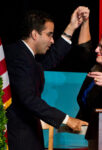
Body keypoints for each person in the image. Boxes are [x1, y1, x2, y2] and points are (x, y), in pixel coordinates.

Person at [4, 6, 89, 150]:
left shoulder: (25, 55)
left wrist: (72, 27)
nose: (52, 40)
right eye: (49, 35)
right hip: (19, 138)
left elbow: (50, 60)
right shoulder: (19, 58)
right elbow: (28, 99)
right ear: (35, 34)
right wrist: (67, 120)